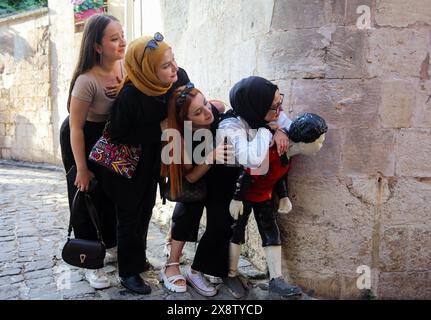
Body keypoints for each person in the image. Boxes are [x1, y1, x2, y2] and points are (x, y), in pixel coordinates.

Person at [101, 33, 190, 294]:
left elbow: (189, 94)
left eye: (173, 61)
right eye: (165, 65)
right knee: (129, 216)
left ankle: (137, 259)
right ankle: (128, 273)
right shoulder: (130, 96)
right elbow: (118, 134)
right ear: (147, 70)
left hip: (152, 163)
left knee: (145, 210)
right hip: (127, 167)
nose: (174, 69)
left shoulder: (177, 78)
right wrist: (158, 129)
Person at [59, 14, 126, 289]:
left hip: (107, 136)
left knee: (109, 194)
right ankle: (88, 261)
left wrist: (123, 87)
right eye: (114, 39)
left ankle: (110, 245)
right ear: (97, 46)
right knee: (84, 194)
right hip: (81, 137)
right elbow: (75, 128)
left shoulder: (122, 67)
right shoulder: (86, 81)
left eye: (122, 35)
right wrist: (82, 170)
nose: (122, 42)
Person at [218, 76, 299, 298]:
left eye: (279, 101)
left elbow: (297, 131)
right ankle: (231, 274)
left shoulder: (268, 113)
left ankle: (276, 279)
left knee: (270, 229)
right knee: (236, 231)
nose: (280, 109)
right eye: (274, 106)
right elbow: (251, 158)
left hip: (263, 190)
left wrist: (280, 130)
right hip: (237, 190)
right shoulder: (230, 125)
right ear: (256, 106)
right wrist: (268, 129)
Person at [160, 83, 237, 296]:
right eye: (198, 112)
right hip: (196, 179)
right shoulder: (180, 140)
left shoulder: (213, 110)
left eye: (204, 103)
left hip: (220, 179)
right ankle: (171, 264)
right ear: (186, 120)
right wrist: (211, 156)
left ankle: (199, 270)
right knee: (188, 211)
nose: (206, 113)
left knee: (222, 221)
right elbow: (191, 177)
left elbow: (220, 106)